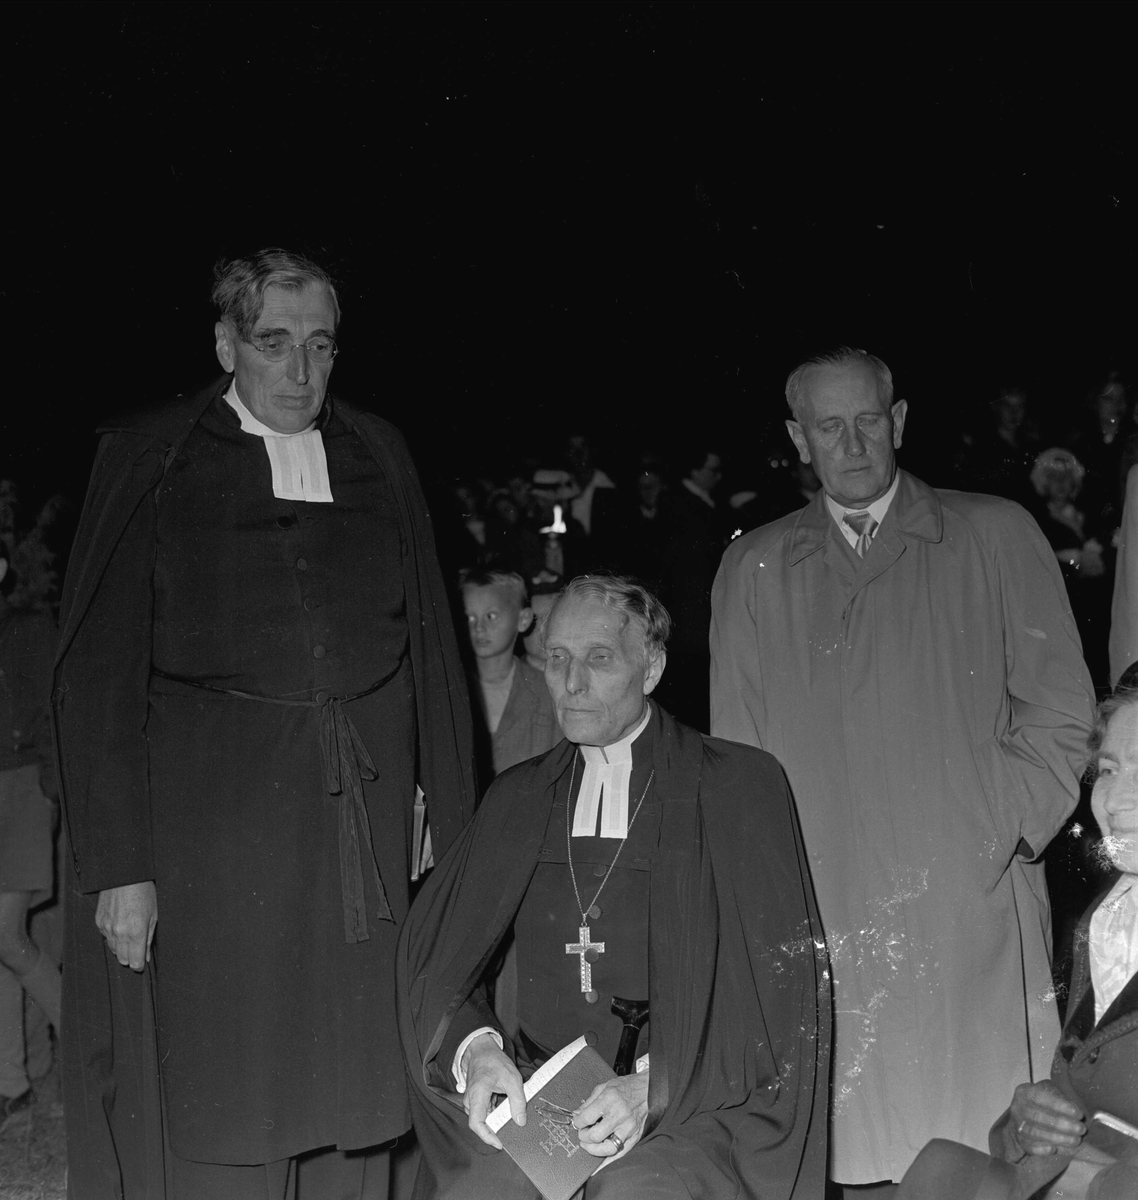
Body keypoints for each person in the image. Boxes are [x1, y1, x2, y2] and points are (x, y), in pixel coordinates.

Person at [52, 248, 477, 1199]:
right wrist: (121, 865)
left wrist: (439, 810)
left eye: (321, 347)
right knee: (229, 1089)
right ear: (224, 343)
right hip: (214, 841)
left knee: (360, 1087)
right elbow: (99, 673)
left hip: (354, 837)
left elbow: (431, 654)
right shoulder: (154, 455)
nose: (300, 373)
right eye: (273, 343)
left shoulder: (377, 452)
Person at [710, 347, 1096, 1193]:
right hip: (834, 914)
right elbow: (736, 771)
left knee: (984, 1155)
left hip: (971, 910)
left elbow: (1064, 716)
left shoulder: (995, 533)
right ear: (797, 439)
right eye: (827, 426)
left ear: (901, 422)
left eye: (869, 421)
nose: (851, 443)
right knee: (853, 1155)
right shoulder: (755, 569)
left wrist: (994, 828)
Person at [397, 574, 830, 1199]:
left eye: (599, 659)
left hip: (690, 1103)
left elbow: (781, 1001)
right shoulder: (518, 799)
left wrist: (654, 1087)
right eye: (558, 658)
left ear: (650, 668)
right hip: (537, 1092)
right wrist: (478, 1050)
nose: (571, 684)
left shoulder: (738, 788)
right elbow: (438, 962)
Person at [898, 679, 1138, 1199]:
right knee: (937, 1171)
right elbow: (1084, 1083)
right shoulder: (1110, 920)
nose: (1117, 798)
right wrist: (1023, 1121)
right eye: (1111, 769)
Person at [0, 543, 60, 1132]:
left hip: (19, 791)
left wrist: (48, 793)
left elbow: (54, 713)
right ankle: (12, 1086)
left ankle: (93, 1052)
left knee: (7, 937)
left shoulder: (27, 628)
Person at [461, 567, 560, 777]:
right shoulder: (452, 688)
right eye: (469, 617)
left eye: (491, 615)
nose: (478, 627)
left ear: (523, 619)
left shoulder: (547, 693)